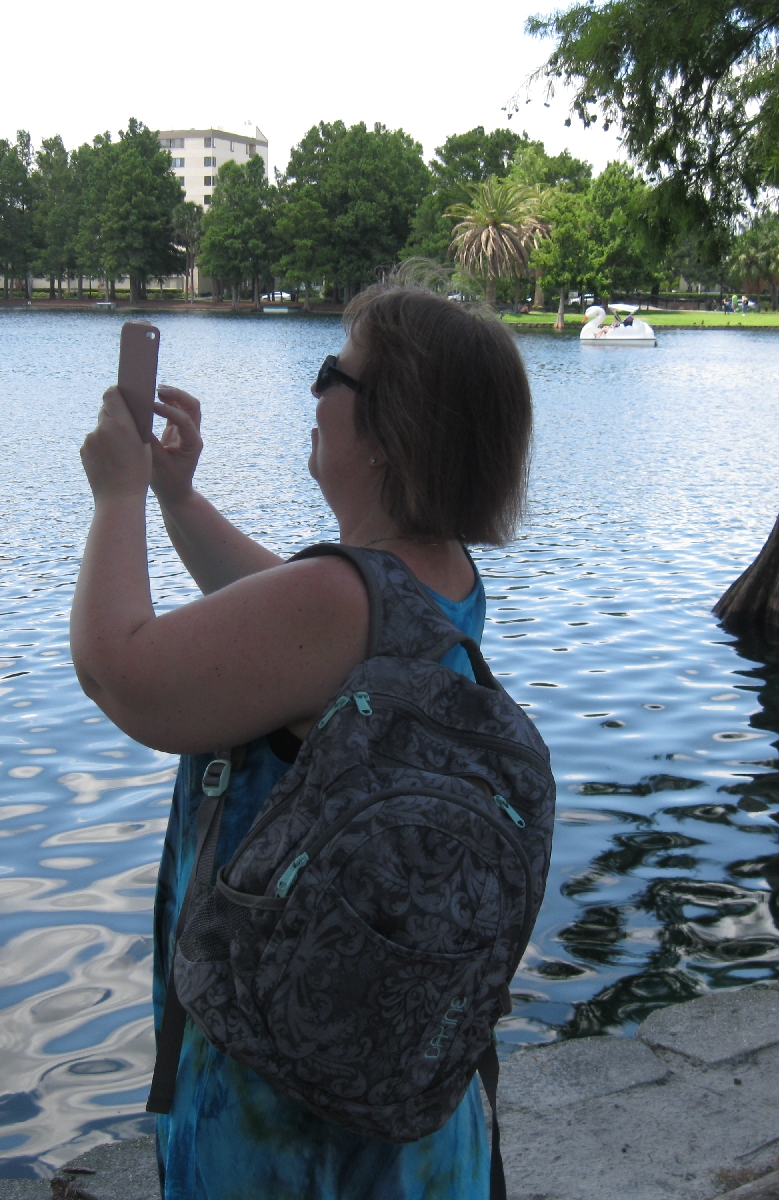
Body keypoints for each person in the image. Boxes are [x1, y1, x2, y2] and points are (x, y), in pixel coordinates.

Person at [70, 283, 535, 1199]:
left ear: (387, 434)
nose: (314, 392)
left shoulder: (334, 604)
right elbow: (284, 610)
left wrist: (117, 493)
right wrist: (176, 497)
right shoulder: (435, 581)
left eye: (334, 374)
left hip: (284, 1132)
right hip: (400, 1104)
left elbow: (117, 671)